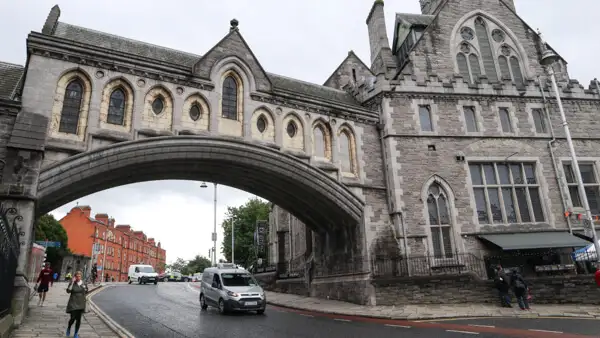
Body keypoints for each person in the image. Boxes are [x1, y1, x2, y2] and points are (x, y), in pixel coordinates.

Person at [66, 271, 88, 338]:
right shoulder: (73, 283)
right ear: (75, 277)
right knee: (72, 318)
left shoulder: (83, 283)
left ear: (81, 277)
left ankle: (76, 333)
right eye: (77, 276)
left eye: (79, 276)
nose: (78, 277)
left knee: (78, 319)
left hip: (81, 303)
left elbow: (86, 291)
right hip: (73, 302)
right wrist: (72, 282)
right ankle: (69, 328)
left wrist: (85, 288)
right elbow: (68, 291)